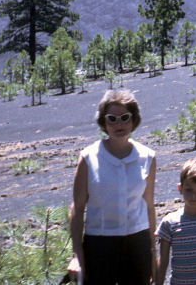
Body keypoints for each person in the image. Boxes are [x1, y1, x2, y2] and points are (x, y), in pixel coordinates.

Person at [67, 89, 157, 285]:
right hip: (100, 244)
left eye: (125, 118)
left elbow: (149, 206)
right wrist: (76, 255)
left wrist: (152, 253)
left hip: (137, 243)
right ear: (103, 122)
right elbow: (78, 207)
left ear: (134, 120)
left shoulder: (147, 157)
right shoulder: (89, 157)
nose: (119, 124)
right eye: (112, 119)